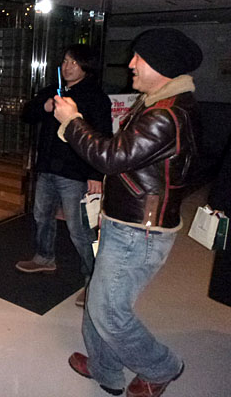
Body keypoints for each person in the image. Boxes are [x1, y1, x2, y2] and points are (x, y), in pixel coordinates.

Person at [54, 28, 202, 397]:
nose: (130, 63)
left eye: (139, 57)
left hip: (139, 231)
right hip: (127, 220)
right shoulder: (158, 103)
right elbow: (128, 158)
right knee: (98, 301)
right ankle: (105, 369)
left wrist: (72, 121)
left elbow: (111, 157)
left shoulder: (166, 114)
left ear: (162, 65)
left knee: (109, 311)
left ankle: (162, 367)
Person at [17, 44, 112, 306]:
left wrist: (96, 174)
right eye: (66, 61)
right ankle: (44, 258)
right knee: (41, 216)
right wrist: (45, 106)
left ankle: (93, 281)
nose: (67, 67)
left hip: (75, 172)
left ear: (86, 67)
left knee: (79, 229)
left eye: (74, 62)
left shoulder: (95, 97)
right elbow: (27, 114)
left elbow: (103, 136)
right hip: (47, 167)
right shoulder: (53, 90)